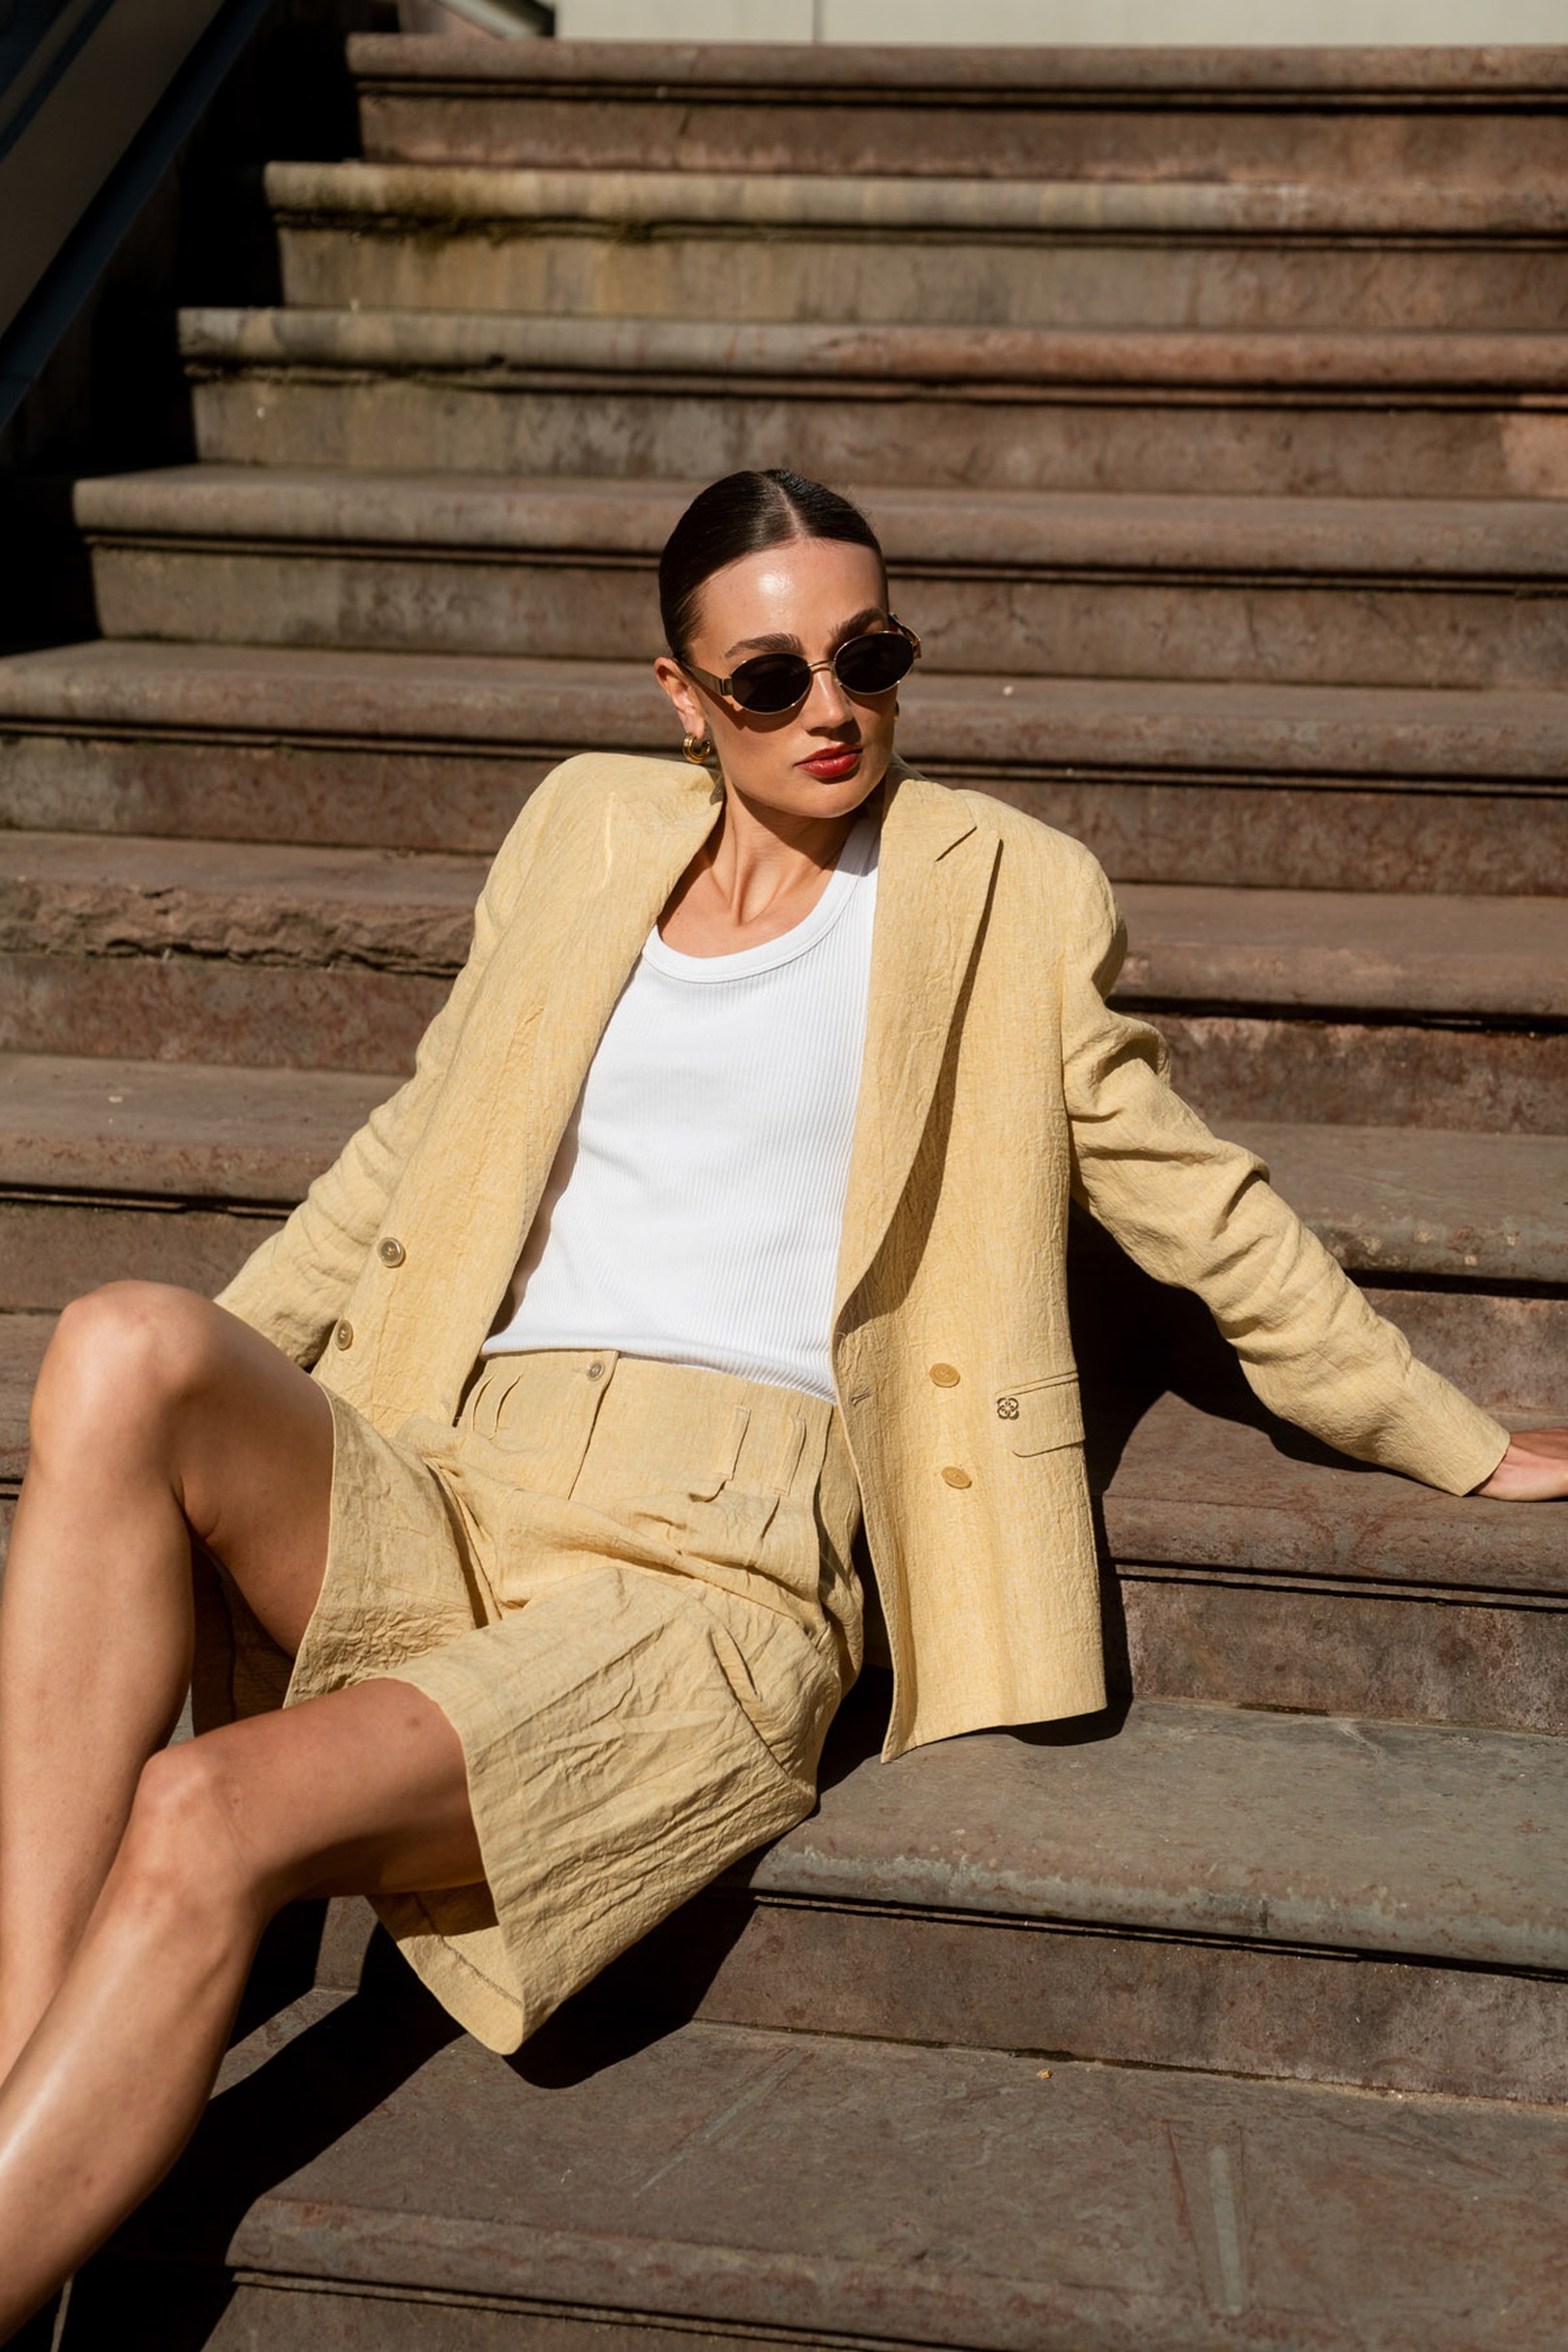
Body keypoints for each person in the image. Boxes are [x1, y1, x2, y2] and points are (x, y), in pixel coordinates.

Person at [0, 467, 1562, 2337]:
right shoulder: (584, 831)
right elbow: (418, 1143)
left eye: (870, 655)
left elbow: (1190, 1196)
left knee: (202, 1806)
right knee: (118, 1340)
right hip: (456, 1474)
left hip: (707, 1581)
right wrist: (201, 1415)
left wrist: (1452, 1435)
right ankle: (27, 2094)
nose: (832, 708)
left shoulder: (999, 889)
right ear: (679, 692)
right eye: (770, 677)